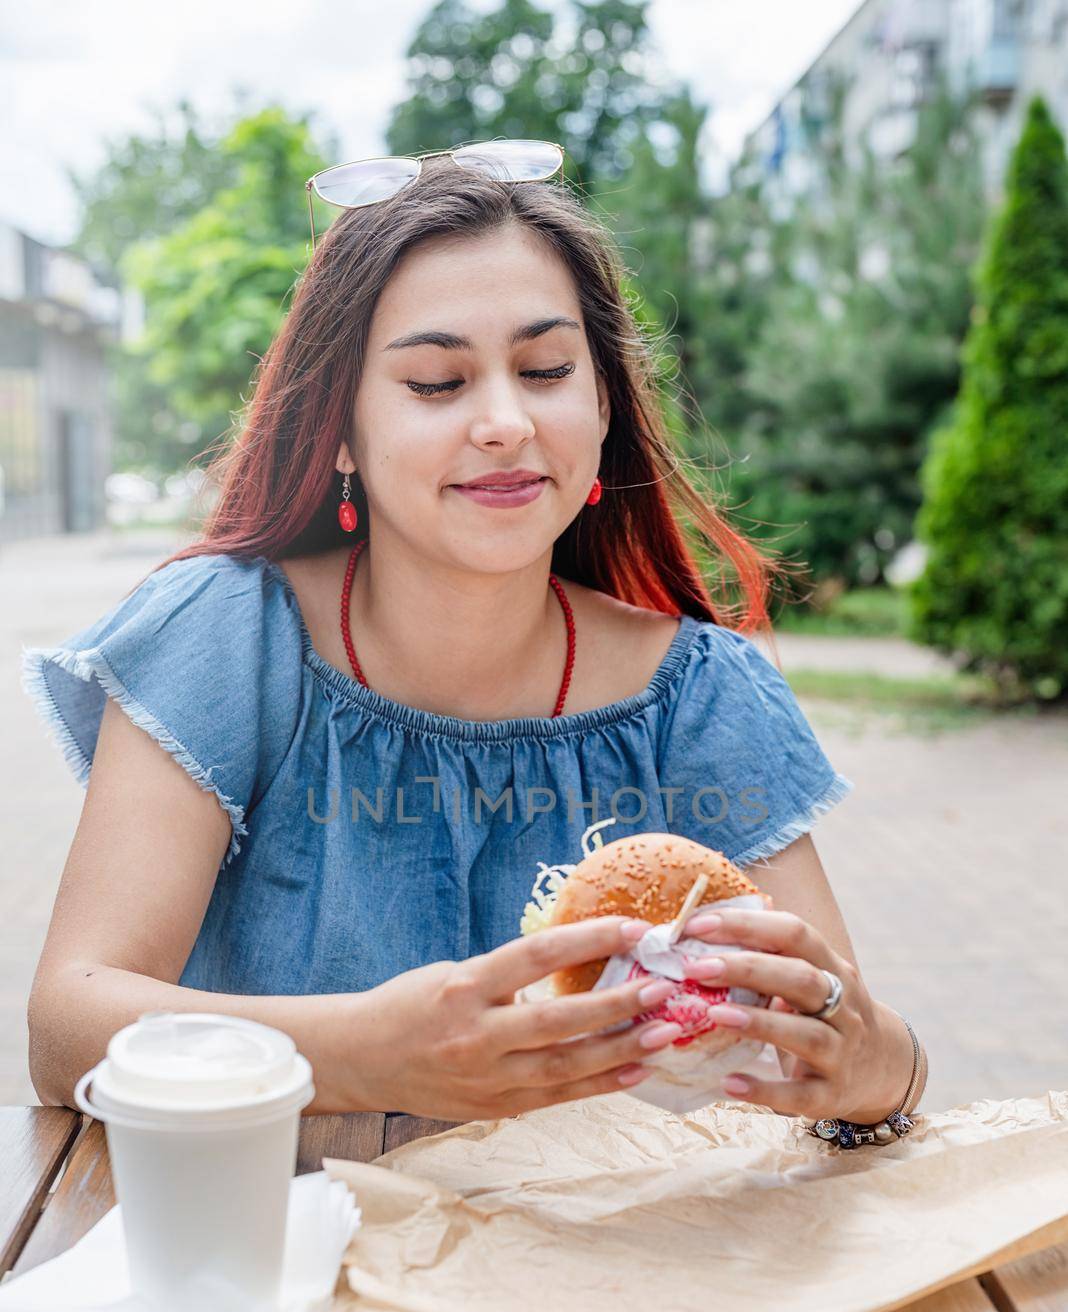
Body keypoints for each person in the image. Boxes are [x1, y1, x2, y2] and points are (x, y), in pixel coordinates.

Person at [22, 144, 923, 1132]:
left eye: (545, 370)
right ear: (340, 431)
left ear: (604, 403)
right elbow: (67, 1026)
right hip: (275, 1257)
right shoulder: (227, 636)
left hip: (612, 1269)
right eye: (436, 382)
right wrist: (364, 1056)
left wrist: (875, 1064)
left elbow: (853, 1054)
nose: (504, 421)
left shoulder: (700, 692)